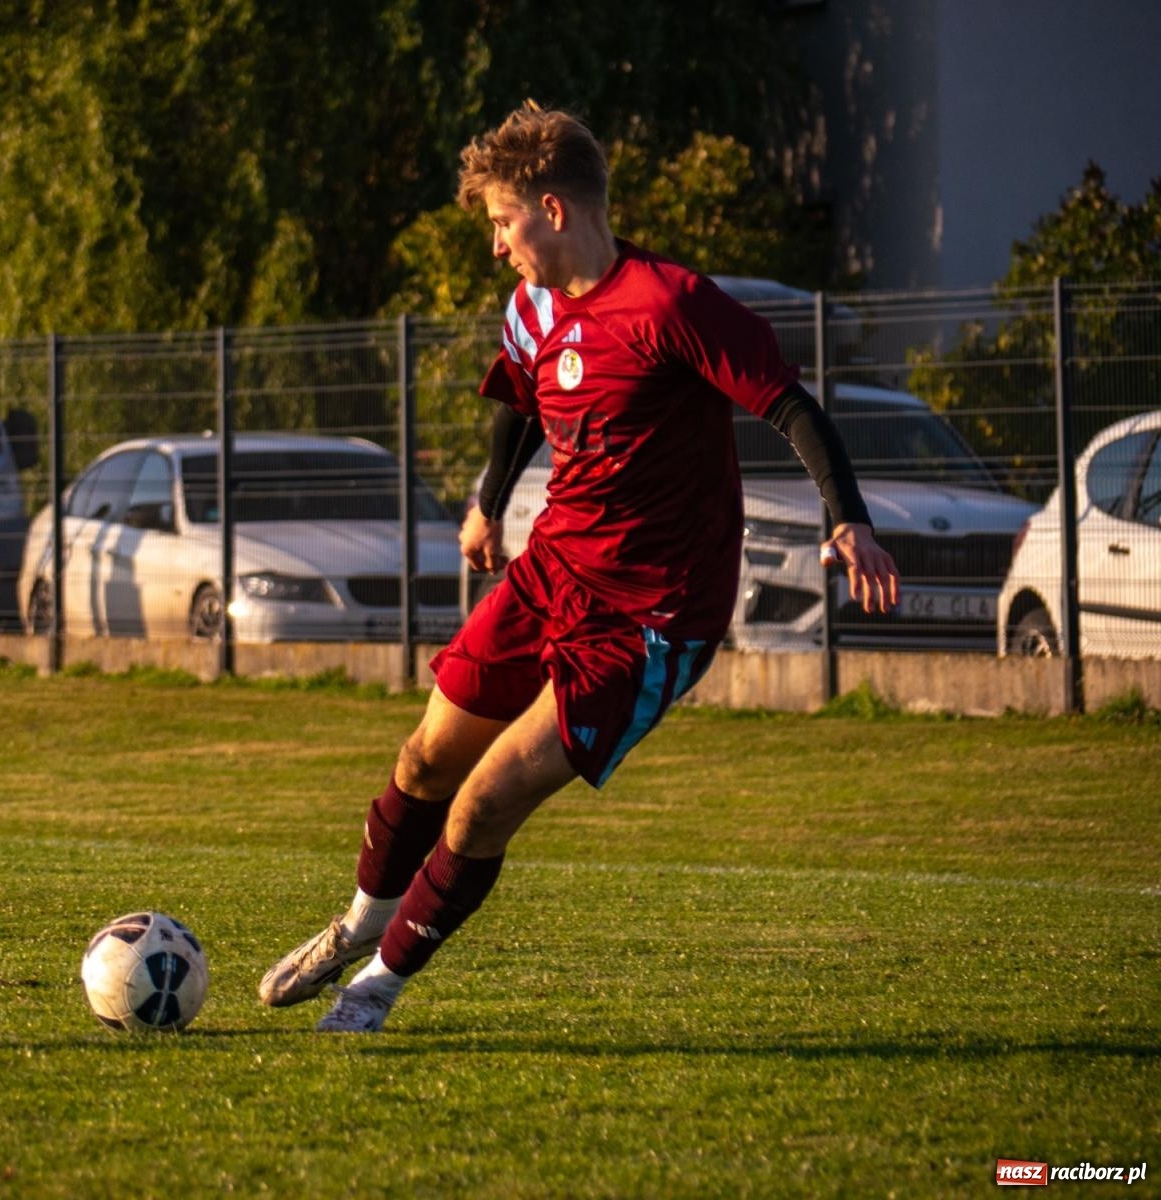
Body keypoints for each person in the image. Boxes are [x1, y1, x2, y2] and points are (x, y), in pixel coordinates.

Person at [259, 103, 900, 1033]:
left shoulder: (672, 303)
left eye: (501, 222)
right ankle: (356, 926)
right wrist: (487, 501)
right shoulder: (530, 306)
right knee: (425, 758)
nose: (495, 247)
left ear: (553, 210)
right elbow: (522, 397)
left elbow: (792, 407)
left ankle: (374, 994)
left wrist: (850, 522)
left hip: (650, 618)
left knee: (481, 808)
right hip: (552, 569)